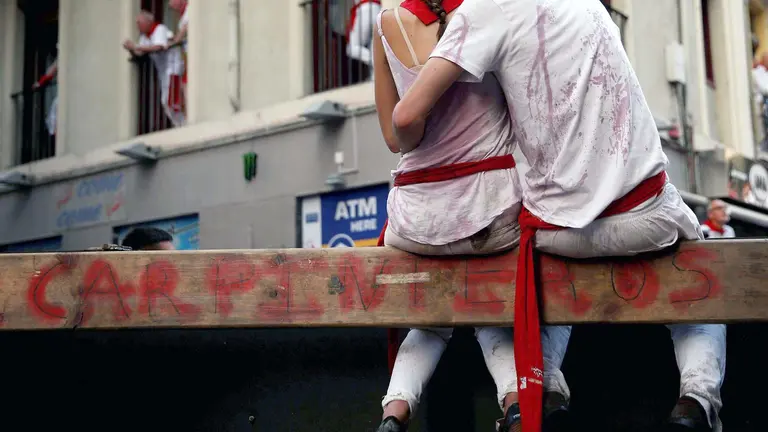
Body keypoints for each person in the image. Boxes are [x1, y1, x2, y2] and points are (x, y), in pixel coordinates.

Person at [390, 1, 726, 431]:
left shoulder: (483, 12)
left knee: (547, 285)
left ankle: (545, 387)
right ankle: (696, 398)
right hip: (647, 214)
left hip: (557, 233)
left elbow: (405, 115)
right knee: (702, 273)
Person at [372, 1, 523, 431]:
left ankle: (393, 414)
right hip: (488, 211)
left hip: (415, 221)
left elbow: (395, 138)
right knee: (490, 315)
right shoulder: (486, 13)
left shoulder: (386, 24)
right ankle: (515, 405)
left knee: (430, 325)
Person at [122, 11, 185, 127]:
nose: (137, 26)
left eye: (139, 23)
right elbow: (139, 53)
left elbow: (158, 47)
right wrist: (131, 49)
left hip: (173, 69)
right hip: (164, 72)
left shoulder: (159, 29)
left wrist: (135, 46)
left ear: (148, 22)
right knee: (166, 101)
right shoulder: (144, 37)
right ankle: (179, 125)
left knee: (170, 100)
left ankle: (183, 124)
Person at [346, 0, 382, 77]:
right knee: (373, 46)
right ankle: (374, 78)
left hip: (364, 7)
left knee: (351, 48)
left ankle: (378, 63)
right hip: (377, 7)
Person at [168, 0, 189, 111]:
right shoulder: (183, 14)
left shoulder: (190, 10)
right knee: (184, 84)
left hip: (189, 54)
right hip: (185, 54)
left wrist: (172, 42)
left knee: (186, 84)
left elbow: (184, 32)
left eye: (173, 3)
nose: (172, 7)